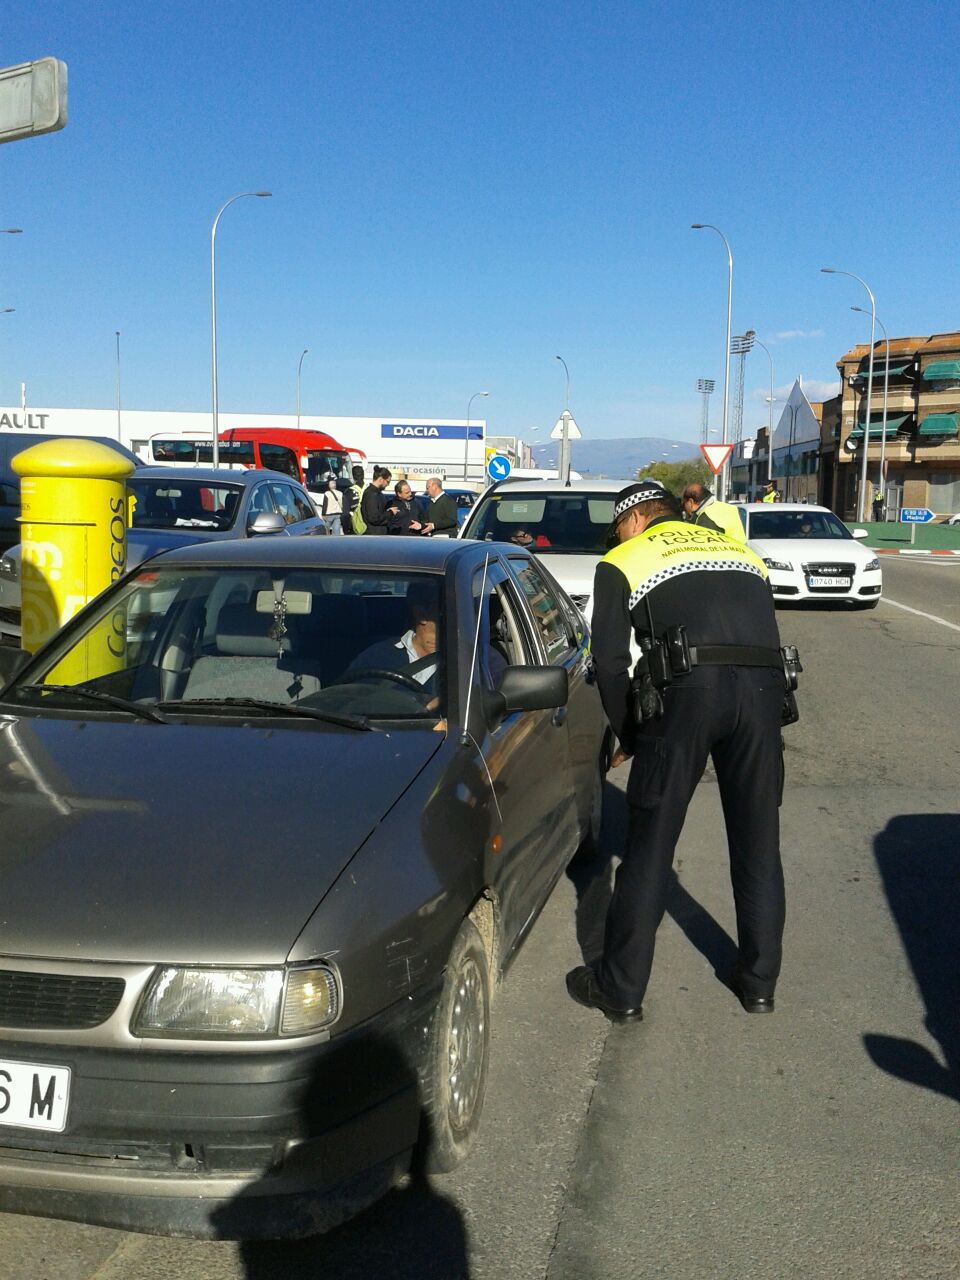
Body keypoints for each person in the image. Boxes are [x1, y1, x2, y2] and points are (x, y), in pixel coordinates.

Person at [566, 479, 787, 1023]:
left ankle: (620, 991)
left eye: (616, 528)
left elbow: (611, 664)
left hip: (687, 696)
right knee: (759, 843)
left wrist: (632, 737)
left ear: (636, 518)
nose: (613, 539)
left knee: (649, 848)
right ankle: (758, 984)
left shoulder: (624, 560)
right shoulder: (741, 552)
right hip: (762, 695)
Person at [347, 587, 440, 692]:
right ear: (421, 614)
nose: (457, 610)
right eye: (445, 603)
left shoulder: (459, 661)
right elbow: (346, 700)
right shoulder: (377, 655)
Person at [681, 482, 745, 541]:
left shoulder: (705, 518)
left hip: (724, 552)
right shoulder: (729, 508)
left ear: (691, 502)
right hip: (742, 551)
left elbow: (703, 547)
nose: (684, 508)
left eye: (683, 504)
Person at [360, 466, 399, 535]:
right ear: (381, 479)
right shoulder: (372, 494)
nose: (388, 485)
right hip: (374, 535)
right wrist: (390, 513)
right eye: (388, 481)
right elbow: (374, 518)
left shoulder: (375, 493)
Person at [342, 465, 366, 535]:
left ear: (353, 476)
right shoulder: (370, 489)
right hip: (370, 528)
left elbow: (345, 514)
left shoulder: (348, 492)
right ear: (363, 475)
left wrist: (346, 530)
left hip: (354, 528)